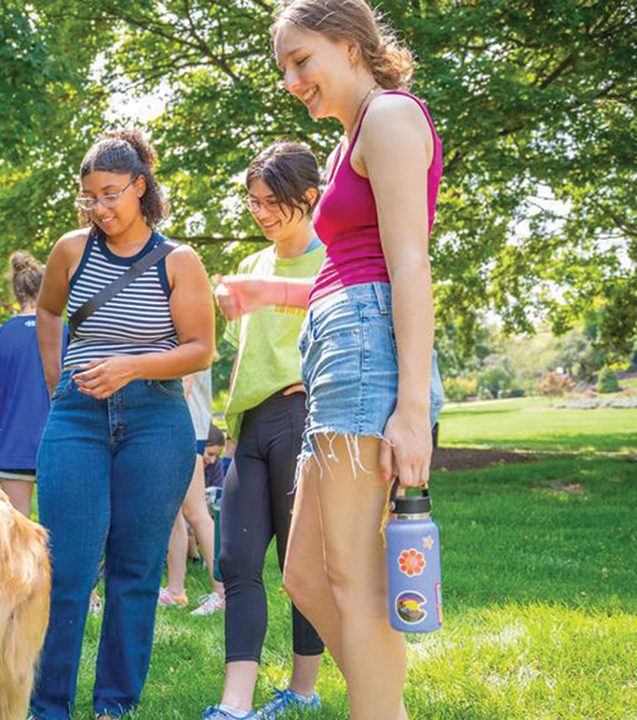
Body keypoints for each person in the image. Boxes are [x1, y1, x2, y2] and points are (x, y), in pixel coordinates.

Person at [215, 3, 446, 717]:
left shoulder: (390, 117)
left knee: (350, 577)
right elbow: (349, 265)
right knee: (306, 574)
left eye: (301, 60)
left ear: (350, 45)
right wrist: (270, 290)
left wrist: (411, 408)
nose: (291, 80)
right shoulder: (352, 139)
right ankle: (387, 705)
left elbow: (408, 265)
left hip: (368, 355)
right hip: (337, 350)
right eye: (283, 67)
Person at [31, 130, 215, 720]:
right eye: (89, 198)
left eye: (110, 194)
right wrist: (57, 377)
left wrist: (131, 367)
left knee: (134, 572)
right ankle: (47, 706)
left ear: (140, 187)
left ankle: (114, 705)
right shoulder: (70, 250)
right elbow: (50, 308)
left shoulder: (179, 260)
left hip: (155, 420)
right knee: (68, 569)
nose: (100, 209)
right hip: (78, 420)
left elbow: (200, 349)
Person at [204, 141, 327, 720]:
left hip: (301, 417)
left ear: (308, 197)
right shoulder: (253, 266)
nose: (262, 213)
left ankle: (304, 691)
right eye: (253, 203)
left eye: (273, 202)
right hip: (249, 425)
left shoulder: (333, 259)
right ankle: (236, 705)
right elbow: (244, 353)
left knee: (300, 565)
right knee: (236, 560)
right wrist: (229, 430)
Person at [0, 251, 66, 517]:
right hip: (60, 439)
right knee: (62, 524)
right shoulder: (65, 331)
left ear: (17, 294)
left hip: (12, 444)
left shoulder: (0, 336)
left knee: (17, 525)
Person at [158, 368, 224, 617]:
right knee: (174, 512)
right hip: (180, 426)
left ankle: (222, 592)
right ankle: (175, 591)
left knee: (195, 511)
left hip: (184, 427)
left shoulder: (190, 333)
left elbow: (183, 381)